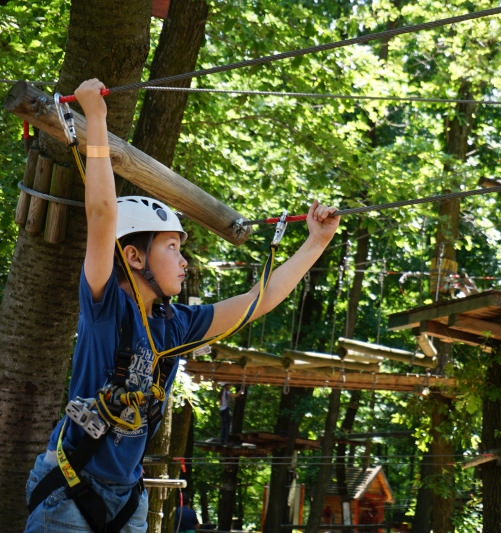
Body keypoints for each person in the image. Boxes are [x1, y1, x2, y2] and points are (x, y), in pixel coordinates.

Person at [23, 78, 340, 533]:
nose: (183, 260)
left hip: (127, 499)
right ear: (134, 257)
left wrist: (316, 243)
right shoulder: (105, 306)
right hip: (70, 490)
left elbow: (259, 300)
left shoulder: (177, 325)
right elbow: (102, 215)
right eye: (171, 247)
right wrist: (95, 117)